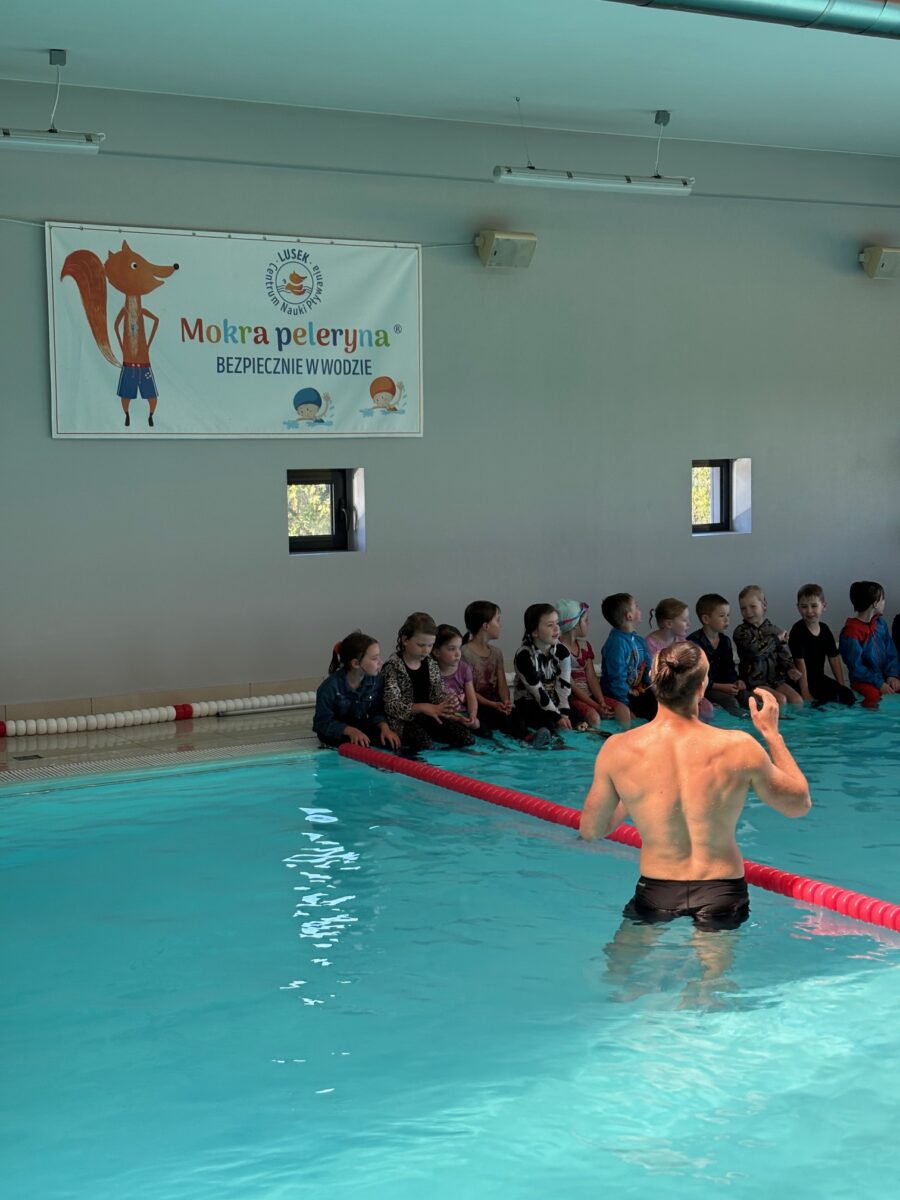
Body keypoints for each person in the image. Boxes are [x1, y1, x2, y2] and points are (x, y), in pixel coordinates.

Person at [580, 642, 811, 933]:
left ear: (654, 681)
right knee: (713, 964)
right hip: (721, 889)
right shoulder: (739, 746)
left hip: (657, 888)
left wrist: (632, 795)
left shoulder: (618, 749)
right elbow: (798, 805)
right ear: (702, 688)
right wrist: (772, 734)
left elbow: (591, 830)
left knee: (621, 960)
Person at [381, 612, 476, 751]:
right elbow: (391, 706)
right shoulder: (392, 667)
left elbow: (437, 695)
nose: (426, 650)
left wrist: (449, 705)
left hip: (429, 716)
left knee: (466, 738)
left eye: (430, 645)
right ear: (405, 640)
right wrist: (423, 707)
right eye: (421, 645)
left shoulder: (431, 664)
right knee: (424, 744)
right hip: (403, 721)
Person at [313, 632, 401, 749]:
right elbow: (321, 723)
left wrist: (385, 728)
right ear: (356, 663)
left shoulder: (376, 680)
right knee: (355, 745)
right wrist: (350, 731)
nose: (380, 662)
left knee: (390, 742)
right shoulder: (329, 688)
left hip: (360, 726)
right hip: (338, 731)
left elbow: (377, 711)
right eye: (374, 658)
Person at [461, 601, 526, 739]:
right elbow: (467, 691)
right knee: (501, 719)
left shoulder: (496, 653)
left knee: (517, 715)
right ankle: (517, 742)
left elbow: (502, 684)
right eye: (498, 620)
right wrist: (493, 705)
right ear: (485, 626)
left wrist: (506, 702)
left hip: (496, 704)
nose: (500, 625)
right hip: (477, 706)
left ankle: (528, 739)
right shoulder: (465, 653)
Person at [513, 603, 573, 746]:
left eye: (557, 623)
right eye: (550, 625)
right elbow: (537, 691)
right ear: (535, 632)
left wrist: (564, 713)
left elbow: (564, 686)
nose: (556, 628)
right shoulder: (524, 656)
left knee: (580, 720)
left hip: (554, 699)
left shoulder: (562, 652)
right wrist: (557, 718)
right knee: (550, 726)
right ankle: (535, 740)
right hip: (530, 702)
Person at [646, 597, 714, 721]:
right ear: (669, 623)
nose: (689, 624)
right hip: (662, 693)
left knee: (707, 710)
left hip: (683, 689)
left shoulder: (682, 641)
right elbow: (653, 679)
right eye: (684, 620)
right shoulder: (650, 644)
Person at [733, 585, 803, 706]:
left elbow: (784, 655)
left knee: (797, 700)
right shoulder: (741, 632)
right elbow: (756, 652)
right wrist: (776, 639)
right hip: (753, 683)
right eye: (743, 608)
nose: (748, 612)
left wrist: (790, 668)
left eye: (752, 606)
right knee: (780, 700)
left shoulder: (775, 630)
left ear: (764, 605)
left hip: (775, 680)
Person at [788, 584, 855, 706]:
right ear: (798, 607)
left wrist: (841, 685)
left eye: (814, 606)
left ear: (824, 606)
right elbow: (799, 663)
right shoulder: (797, 631)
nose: (809, 611)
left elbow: (834, 659)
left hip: (819, 678)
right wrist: (805, 693)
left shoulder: (825, 630)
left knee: (848, 696)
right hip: (802, 681)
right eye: (804, 607)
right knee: (821, 703)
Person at [599, 593, 657, 728]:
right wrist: (624, 704)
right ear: (629, 616)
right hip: (621, 695)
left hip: (638, 690)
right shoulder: (616, 644)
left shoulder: (638, 640)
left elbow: (648, 667)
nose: (639, 609)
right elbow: (617, 679)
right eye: (636, 606)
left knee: (662, 704)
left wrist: (653, 689)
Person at [838, 581, 900, 708]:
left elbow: (891, 652)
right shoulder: (852, 631)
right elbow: (856, 667)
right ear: (875, 603)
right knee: (873, 697)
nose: (885, 602)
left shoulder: (880, 624)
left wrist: (892, 675)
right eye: (883, 599)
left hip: (885, 675)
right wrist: (879, 683)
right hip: (863, 680)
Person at [687, 593, 748, 718]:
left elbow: (730, 668)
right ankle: (744, 721)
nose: (727, 620)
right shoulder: (694, 643)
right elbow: (695, 678)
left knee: (747, 696)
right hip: (706, 688)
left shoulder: (725, 641)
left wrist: (737, 681)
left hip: (726, 686)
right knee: (730, 701)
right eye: (721, 616)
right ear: (706, 619)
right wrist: (721, 687)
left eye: (728, 615)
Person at [557, 599, 614, 729]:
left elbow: (592, 677)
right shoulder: (558, 650)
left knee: (623, 710)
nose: (588, 624)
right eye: (586, 621)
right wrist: (596, 706)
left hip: (591, 697)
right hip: (573, 699)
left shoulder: (584, 646)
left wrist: (601, 701)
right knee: (594, 718)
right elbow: (572, 687)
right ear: (575, 625)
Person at [432, 624, 479, 730]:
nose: (458, 654)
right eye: (452, 649)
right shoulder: (432, 672)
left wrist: (472, 715)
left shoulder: (464, 668)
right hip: (444, 715)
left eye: (459, 648)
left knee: (477, 725)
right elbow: (433, 704)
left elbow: (471, 698)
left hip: (463, 713)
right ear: (436, 652)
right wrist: (456, 719)